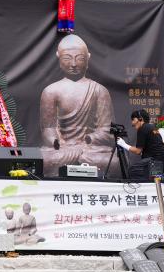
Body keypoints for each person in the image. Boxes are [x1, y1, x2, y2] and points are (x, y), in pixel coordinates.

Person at [39, 34, 115, 177]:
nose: (73, 64)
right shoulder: (51, 91)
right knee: (44, 159)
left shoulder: (99, 90)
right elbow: (48, 129)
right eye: (67, 58)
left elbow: (107, 129)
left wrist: (89, 140)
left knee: (114, 160)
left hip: (91, 149)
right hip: (63, 149)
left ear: (88, 58)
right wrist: (58, 143)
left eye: (79, 58)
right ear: (59, 58)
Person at [116, 109, 164, 180]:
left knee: (132, 171)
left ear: (140, 119)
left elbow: (138, 151)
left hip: (156, 163)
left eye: (133, 119)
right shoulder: (152, 127)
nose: (132, 123)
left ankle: (161, 177)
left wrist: (123, 144)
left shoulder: (143, 128)